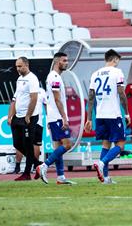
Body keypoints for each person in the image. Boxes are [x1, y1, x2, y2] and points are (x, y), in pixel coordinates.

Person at [84, 49, 130, 184]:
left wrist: (89, 118)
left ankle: (104, 178)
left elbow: (91, 97)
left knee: (106, 144)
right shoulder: (117, 72)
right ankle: (101, 163)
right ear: (115, 59)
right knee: (120, 145)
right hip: (113, 114)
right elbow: (122, 94)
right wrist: (126, 113)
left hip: (100, 115)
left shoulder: (95, 74)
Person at [36, 52, 74, 185]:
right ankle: (44, 166)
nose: (66, 63)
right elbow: (57, 100)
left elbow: (50, 100)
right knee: (67, 144)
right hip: (57, 117)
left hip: (53, 116)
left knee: (58, 146)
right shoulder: (55, 77)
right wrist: (64, 118)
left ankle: (60, 177)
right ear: (58, 62)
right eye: (64, 60)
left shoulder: (52, 76)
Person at [8, 57, 41, 181]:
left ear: (27, 65)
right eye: (17, 66)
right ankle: (38, 164)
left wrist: (28, 115)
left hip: (29, 117)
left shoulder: (32, 79)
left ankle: (27, 174)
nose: (18, 69)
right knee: (16, 143)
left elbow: (33, 98)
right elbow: (15, 98)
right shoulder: (19, 79)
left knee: (28, 144)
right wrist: (10, 115)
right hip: (18, 116)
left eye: (20, 66)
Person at [14, 87, 47, 174]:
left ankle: (18, 167)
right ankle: (35, 166)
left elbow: (15, 103)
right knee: (35, 144)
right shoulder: (41, 91)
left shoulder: (22, 89)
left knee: (23, 142)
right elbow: (46, 104)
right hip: (36, 120)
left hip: (25, 120)